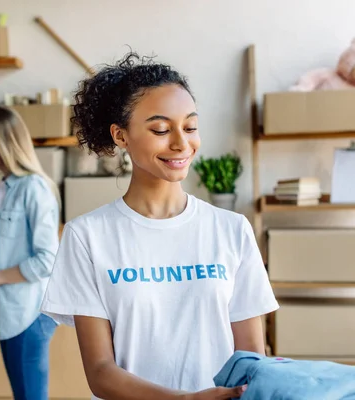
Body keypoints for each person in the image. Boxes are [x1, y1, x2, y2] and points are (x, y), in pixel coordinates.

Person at [40, 53, 280, 400]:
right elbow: (100, 372)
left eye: (191, 126)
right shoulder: (87, 237)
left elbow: (252, 360)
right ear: (120, 136)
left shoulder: (231, 230)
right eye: (161, 130)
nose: (181, 143)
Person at [0, 106, 60, 400]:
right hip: (11, 310)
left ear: (2, 145)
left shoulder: (34, 188)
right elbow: (11, 248)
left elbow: (48, 260)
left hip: (30, 314)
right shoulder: (5, 187)